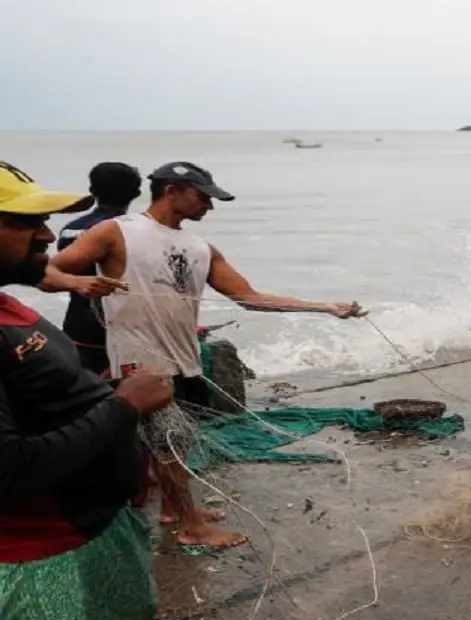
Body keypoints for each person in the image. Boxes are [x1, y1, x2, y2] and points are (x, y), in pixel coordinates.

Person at [50, 161, 365, 550]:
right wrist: (78, 282)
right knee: (171, 439)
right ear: (171, 190)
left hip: (183, 359)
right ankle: (191, 525)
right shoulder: (117, 232)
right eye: (203, 197)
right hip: (138, 361)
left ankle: (171, 509)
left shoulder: (201, 248)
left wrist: (324, 307)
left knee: (172, 444)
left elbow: (251, 298)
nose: (209, 207)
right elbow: (50, 271)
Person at [0, 160, 175, 620]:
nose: (48, 235)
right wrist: (126, 405)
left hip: (90, 530)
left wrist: (104, 393)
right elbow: (9, 470)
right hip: (42, 558)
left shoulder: (8, 303)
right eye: (25, 223)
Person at [56, 162, 143, 375]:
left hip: (79, 325)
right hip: (123, 328)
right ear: (136, 193)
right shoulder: (136, 230)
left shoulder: (71, 229)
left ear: (92, 191)